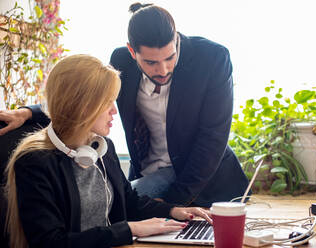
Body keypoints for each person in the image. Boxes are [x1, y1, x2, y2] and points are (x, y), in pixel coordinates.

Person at [0, 2, 249, 207]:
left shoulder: (213, 58)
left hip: (198, 176)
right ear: (132, 51)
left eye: (170, 58)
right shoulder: (121, 61)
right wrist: (27, 113)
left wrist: (171, 204)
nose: (162, 69)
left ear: (176, 40)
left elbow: (213, 137)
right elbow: (83, 98)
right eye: (151, 62)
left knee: (116, 205)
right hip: (149, 171)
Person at [4, 55, 211, 248]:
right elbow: (50, 242)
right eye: (107, 102)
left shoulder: (101, 147)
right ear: (82, 105)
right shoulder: (35, 162)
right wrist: (129, 229)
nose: (114, 110)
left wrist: (173, 211)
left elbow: (129, 201)